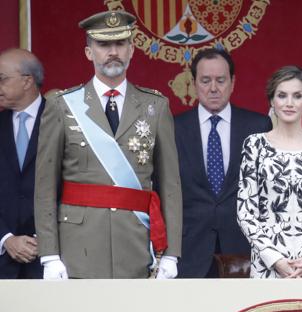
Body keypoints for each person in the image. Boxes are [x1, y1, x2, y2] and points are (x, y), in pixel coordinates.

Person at [34, 10, 182, 279]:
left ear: (132, 49)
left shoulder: (155, 106)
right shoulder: (62, 105)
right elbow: (45, 186)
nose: (113, 52)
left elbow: (170, 185)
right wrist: (49, 255)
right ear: (89, 52)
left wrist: (171, 254)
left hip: (136, 246)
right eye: (103, 45)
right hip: (78, 248)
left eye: (120, 44)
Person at [237, 65, 302, 278]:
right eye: (282, 95)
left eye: (297, 96)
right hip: (267, 263)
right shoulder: (254, 145)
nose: (289, 103)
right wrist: (274, 259)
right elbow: (245, 211)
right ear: (272, 102)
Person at [175, 48, 272, 278]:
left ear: (233, 82)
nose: (213, 88)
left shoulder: (258, 126)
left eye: (221, 80)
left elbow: (268, 192)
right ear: (194, 83)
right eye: (205, 80)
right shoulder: (173, 128)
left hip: (244, 250)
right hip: (189, 251)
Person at [0, 48, 45, 279]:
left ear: (27, 81)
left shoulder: (64, 121)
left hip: (51, 258)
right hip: (3, 258)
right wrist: (6, 238)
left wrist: (45, 238)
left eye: (2, 79)